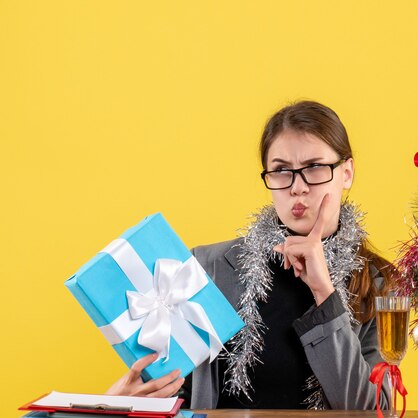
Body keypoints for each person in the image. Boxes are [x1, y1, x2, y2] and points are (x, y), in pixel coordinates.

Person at [106, 100, 395, 410]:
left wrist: (326, 294)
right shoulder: (208, 267)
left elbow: (372, 410)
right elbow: (176, 389)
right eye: (282, 170)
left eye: (313, 167)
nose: (297, 187)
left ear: (346, 173)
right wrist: (117, 405)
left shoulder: (379, 283)